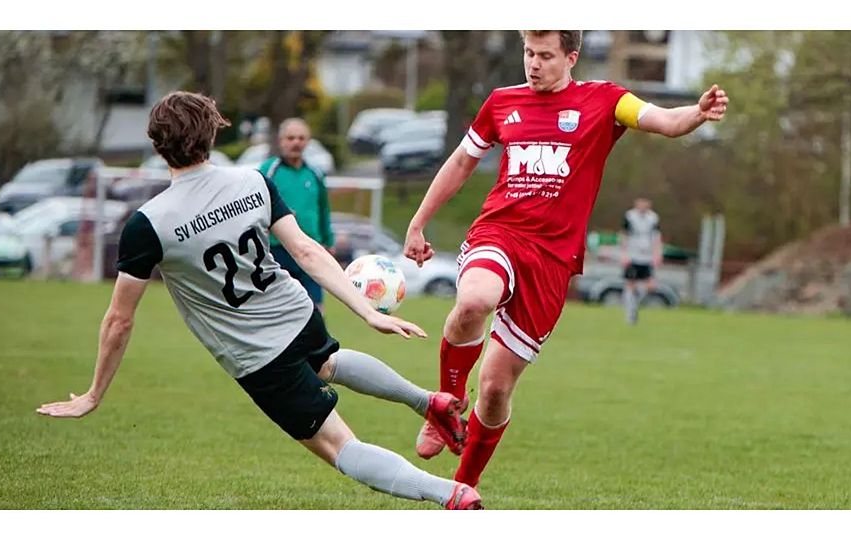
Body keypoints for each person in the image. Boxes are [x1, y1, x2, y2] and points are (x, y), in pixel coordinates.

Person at [37, 91, 481, 510]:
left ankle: (450, 495)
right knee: (329, 362)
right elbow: (307, 250)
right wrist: (366, 312)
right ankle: (427, 400)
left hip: (259, 355)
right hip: (298, 312)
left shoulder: (148, 224)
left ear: (157, 147)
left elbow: (119, 320)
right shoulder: (253, 181)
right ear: (211, 135)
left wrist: (95, 393)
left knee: (340, 447)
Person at [403, 31, 729, 487]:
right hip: (499, 233)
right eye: (528, 54)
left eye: (545, 56)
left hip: (553, 261)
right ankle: (447, 402)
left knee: (496, 388)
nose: (533, 64)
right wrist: (418, 223)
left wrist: (695, 113)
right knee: (475, 300)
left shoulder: (605, 101)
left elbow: (663, 121)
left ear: (571, 57)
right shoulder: (501, 103)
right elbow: (460, 163)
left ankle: (462, 489)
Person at [260, 118, 334, 311]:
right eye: (291, 138)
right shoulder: (268, 170)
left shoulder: (315, 173)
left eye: (301, 138)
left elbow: (323, 209)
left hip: (311, 248)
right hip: (278, 250)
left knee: (316, 308)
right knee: (280, 308)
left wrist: (328, 241)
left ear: (307, 141)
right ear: (281, 141)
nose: (296, 142)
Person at [621, 197, 662, 325]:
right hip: (633, 256)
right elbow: (624, 235)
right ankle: (629, 314)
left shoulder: (653, 218)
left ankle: (634, 306)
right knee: (630, 283)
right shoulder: (630, 216)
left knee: (650, 286)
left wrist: (657, 254)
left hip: (647, 257)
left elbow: (656, 238)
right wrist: (624, 254)